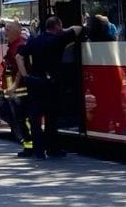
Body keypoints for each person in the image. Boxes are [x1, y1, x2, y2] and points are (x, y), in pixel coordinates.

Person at [19, 16, 83, 160]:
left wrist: (26, 77)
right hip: (51, 84)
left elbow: (19, 57)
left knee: (35, 119)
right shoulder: (59, 39)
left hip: (35, 83)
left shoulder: (34, 40)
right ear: (58, 27)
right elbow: (78, 29)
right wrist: (63, 30)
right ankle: (52, 148)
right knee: (51, 118)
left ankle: (39, 151)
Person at [0, 21, 33, 157]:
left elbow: (21, 67)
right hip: (10, 89)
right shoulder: (13, 45)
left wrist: (13, 86)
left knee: (21, 119)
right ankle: (25, 141)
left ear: (16, 31)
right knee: (4, 112)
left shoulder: (19, 46)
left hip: (19, 90)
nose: (5, 32)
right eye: (5, 29)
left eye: (8, 30)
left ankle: (30, 144)